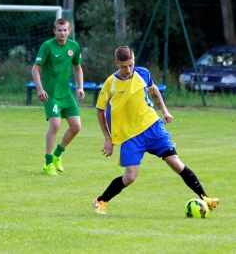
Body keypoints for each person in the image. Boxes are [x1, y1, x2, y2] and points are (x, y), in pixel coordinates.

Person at [93, 45, 219, 214]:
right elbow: (100, 111)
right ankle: (101, 201)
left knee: (176, 163)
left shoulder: (143, 73)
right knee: (130, 177)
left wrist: (165, 111)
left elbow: (154, 91)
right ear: (116, 63)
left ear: (134, 60)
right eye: (124, 66)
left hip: (153, 127)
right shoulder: (111, 83)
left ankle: (206, 198)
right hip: (131, 135)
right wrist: (107, 138)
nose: (128, 69)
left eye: (130, 64)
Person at [32, 18, 85, 176]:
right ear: (54, 31)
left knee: (76, 127)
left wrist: (80, 87)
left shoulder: (73, 46)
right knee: (55, 125)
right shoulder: (47, 46)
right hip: (50, 93)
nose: (62, 33)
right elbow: (35, 68)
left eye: (65, 30)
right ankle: (48, 163)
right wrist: (40, 89)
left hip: (66, 93)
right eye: (59, 30)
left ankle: (57, 154)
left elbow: (78, 68)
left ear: (69, 31)